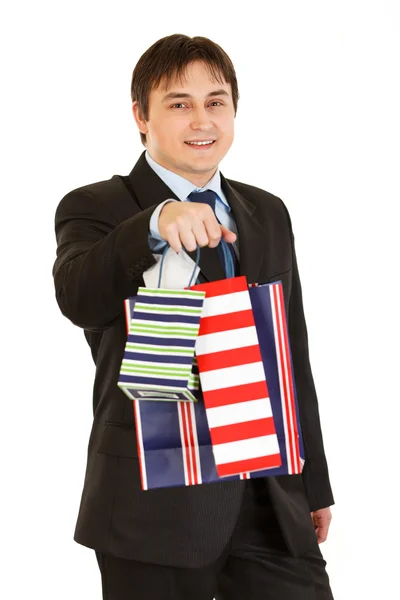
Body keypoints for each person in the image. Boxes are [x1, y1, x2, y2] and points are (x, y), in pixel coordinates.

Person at [52, 34, 335, 600]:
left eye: (216, 101)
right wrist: (154, 224)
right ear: (141, 115)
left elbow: (291, 353)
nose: (201, 119)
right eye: (179, 103)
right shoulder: (97, 206)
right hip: (153, 503)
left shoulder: (267, 211)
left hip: (267, 495)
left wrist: (313, 482)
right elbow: (77, 298)